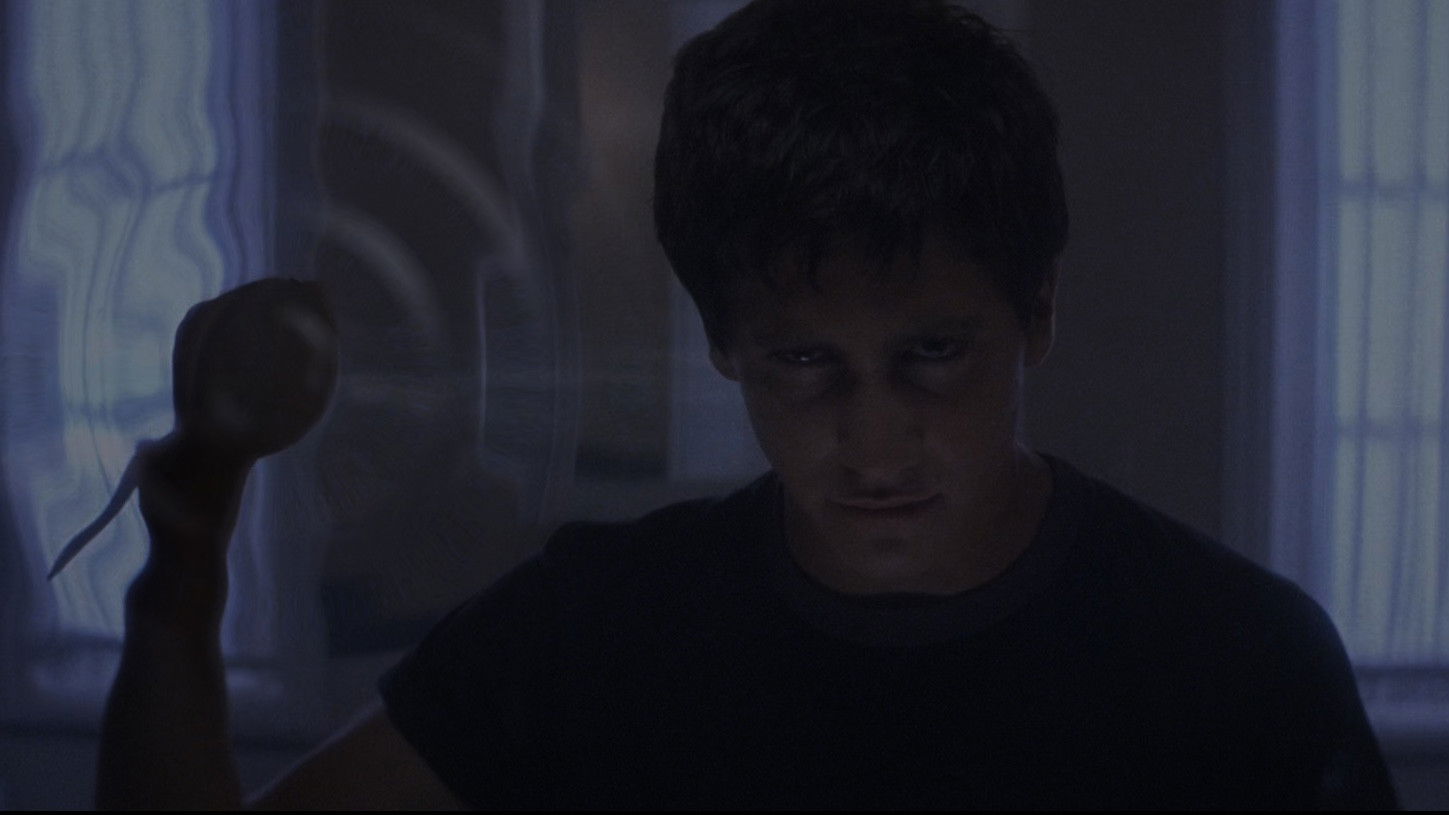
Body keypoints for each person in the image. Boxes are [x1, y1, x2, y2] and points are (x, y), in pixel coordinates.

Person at [96, 0, 1398, 809]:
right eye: (806, 364)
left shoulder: (1233, 658)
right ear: (725, 345)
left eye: (932, 354)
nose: (873, 444)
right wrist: (183, 571)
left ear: (1037, 314)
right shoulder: (595, 637)